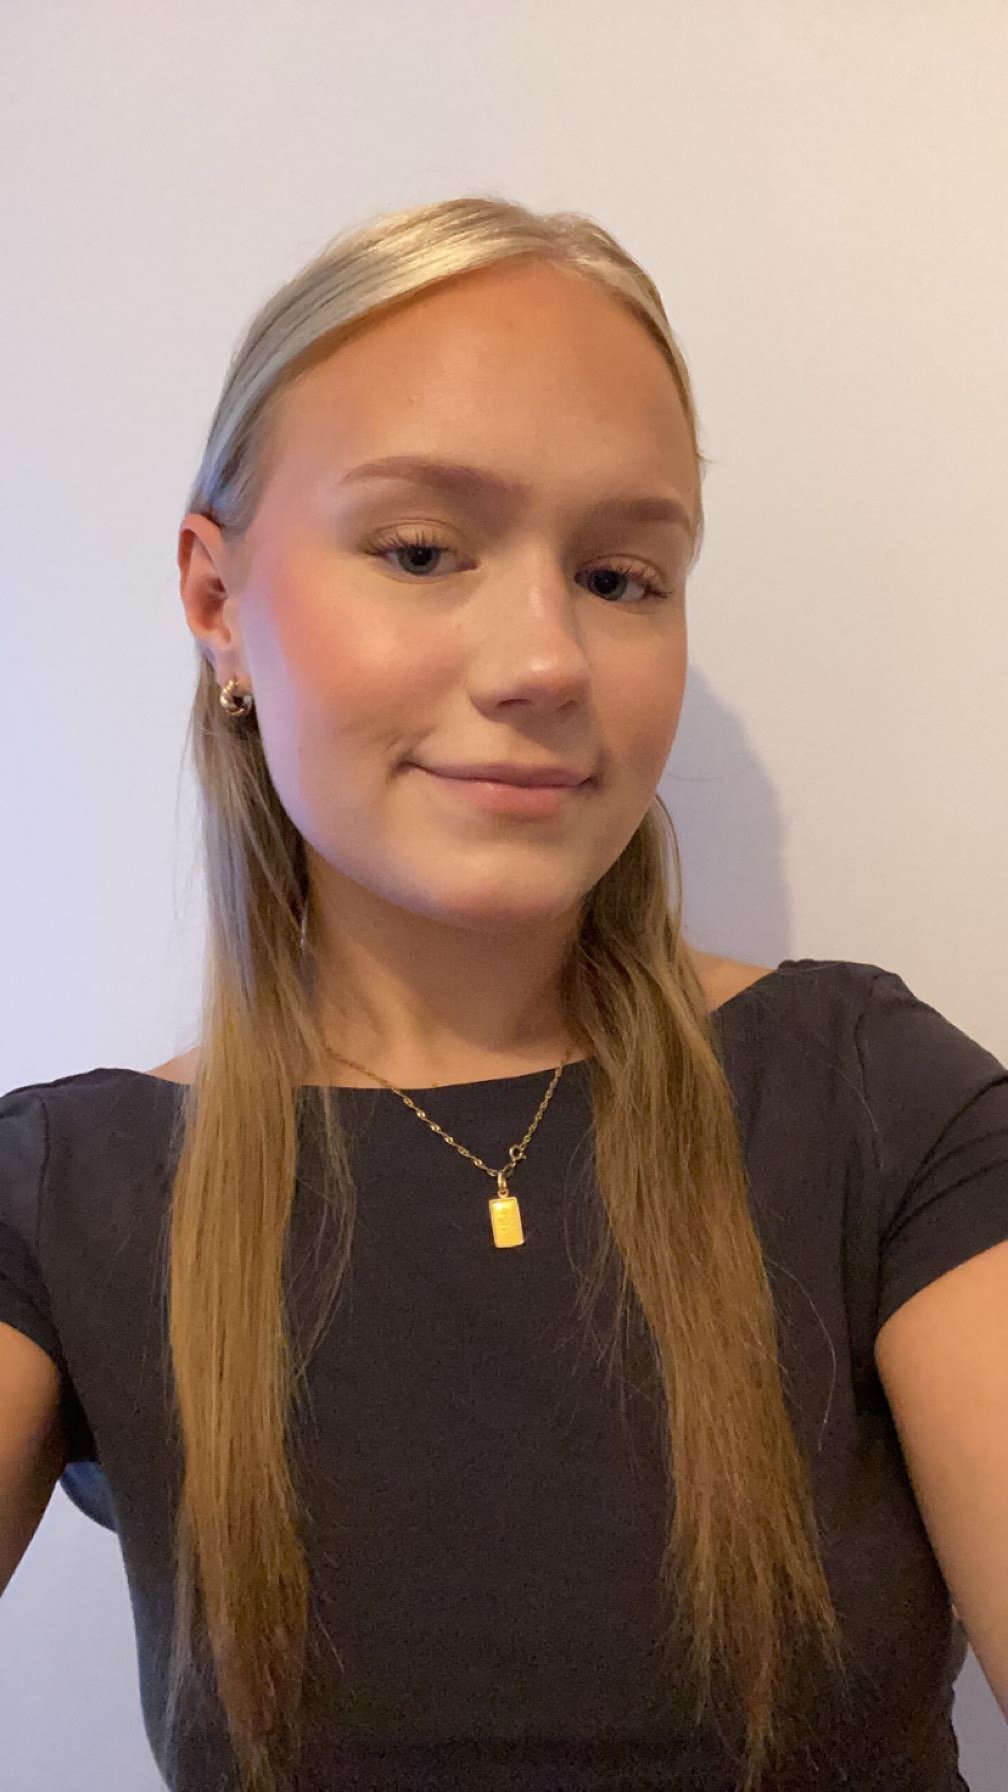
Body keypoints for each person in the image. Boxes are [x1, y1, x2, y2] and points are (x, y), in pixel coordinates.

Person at [1, 195, 1006, 1792]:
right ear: (216, 599)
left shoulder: (879, 1105)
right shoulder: (72, 1195)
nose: (547, 662)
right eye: (422, 551)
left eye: (621, 576)